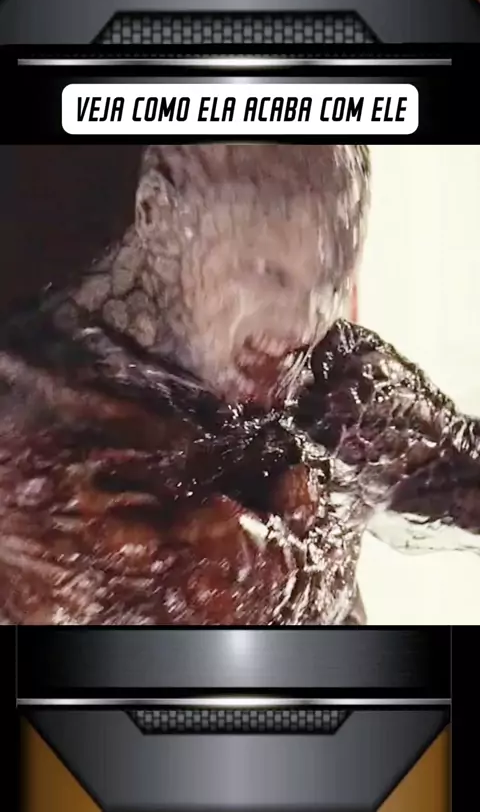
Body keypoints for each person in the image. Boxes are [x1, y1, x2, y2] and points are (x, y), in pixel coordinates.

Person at [0, 144, 478, 625]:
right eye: (269, 274)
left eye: (331, 282)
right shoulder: (27, 433)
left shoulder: (342, 387)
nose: (301, 322)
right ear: (157, 213)